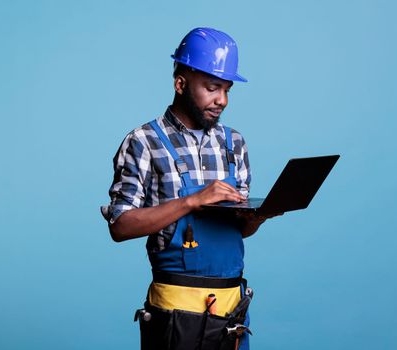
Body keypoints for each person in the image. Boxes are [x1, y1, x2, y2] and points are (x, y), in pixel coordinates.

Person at [101, 27, 281, 350]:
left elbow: (238, 231)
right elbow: (120, 225)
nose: (222, 100)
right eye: (212, 88)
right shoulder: (144, 142)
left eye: (227, 89)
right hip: (175, 318)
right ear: (180, 83)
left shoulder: (234, 144)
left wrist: (258, 217)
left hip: (231, 315)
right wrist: (193, 201)